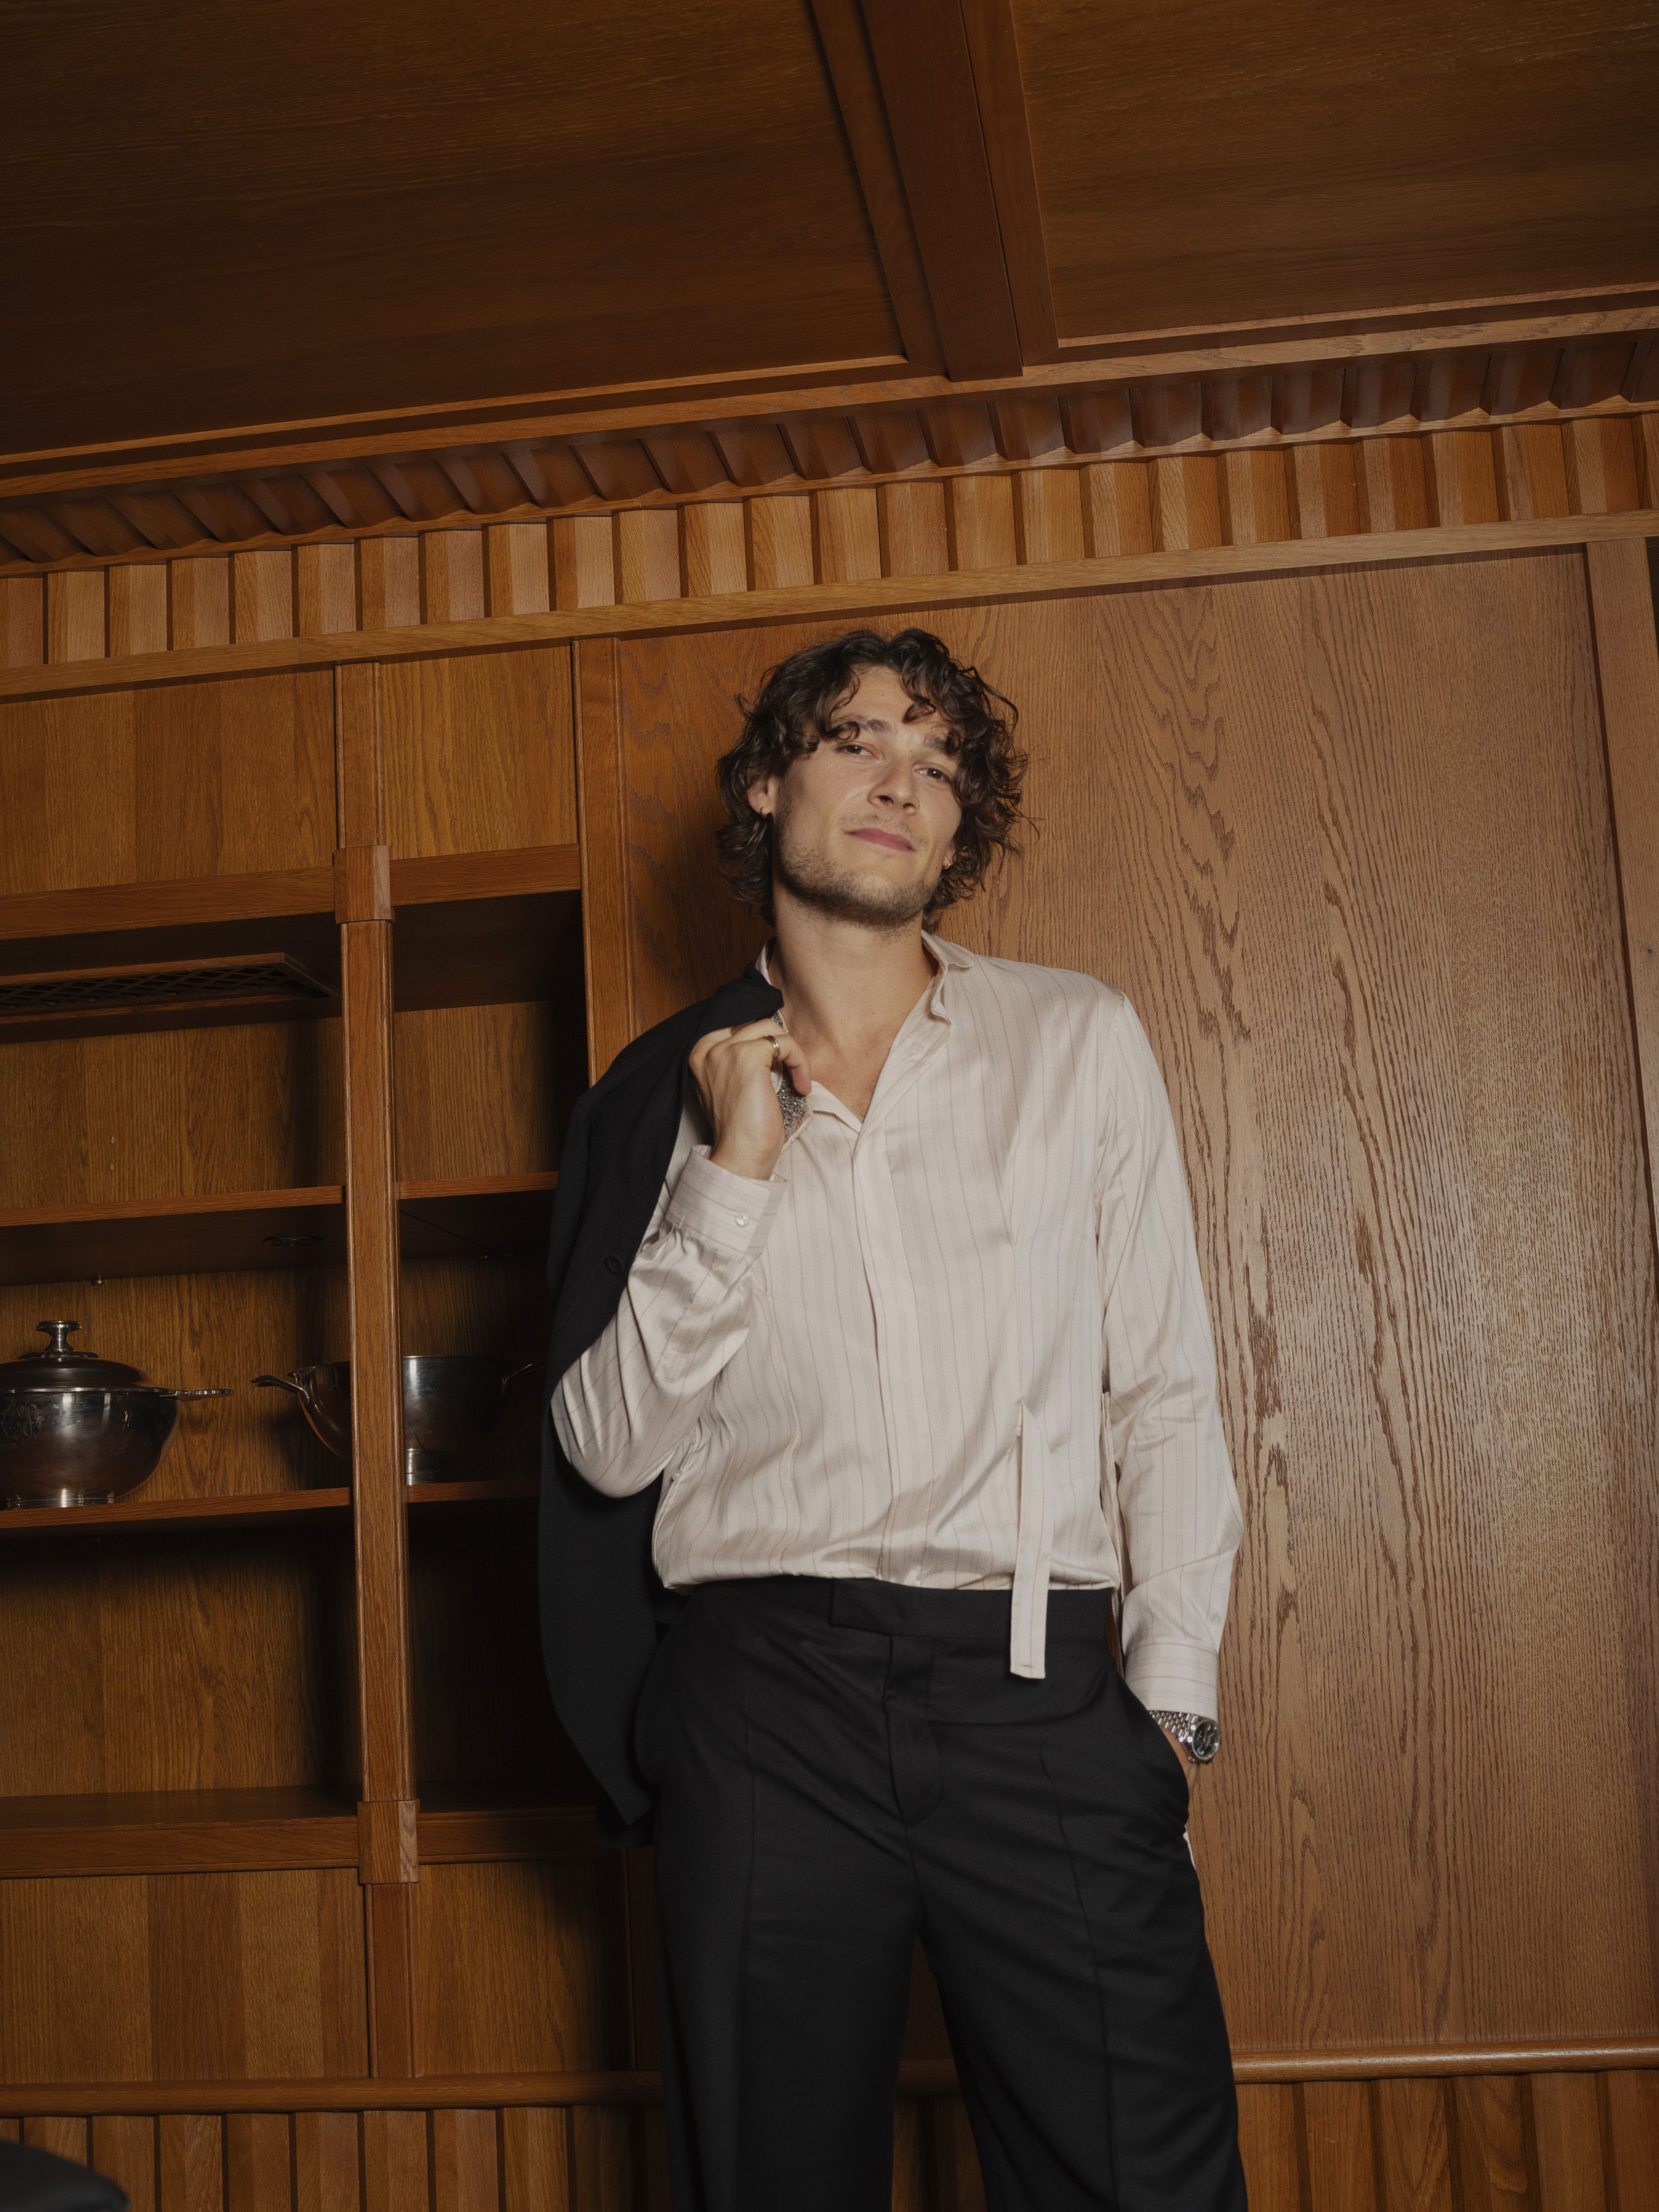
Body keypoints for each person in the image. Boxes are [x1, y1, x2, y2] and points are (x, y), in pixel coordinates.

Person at [540, 627, 1246, 2211]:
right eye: (859, 741)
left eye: (937, 766)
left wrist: (1168, 1704)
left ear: (956, 827)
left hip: (1036, 1683)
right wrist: (732, 1167)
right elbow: (602, 1445)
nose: (900, 784)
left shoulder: (1077, 1040)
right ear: (767, 784)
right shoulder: (658, 1094)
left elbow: (1164, 1387)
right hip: (763, 1700)